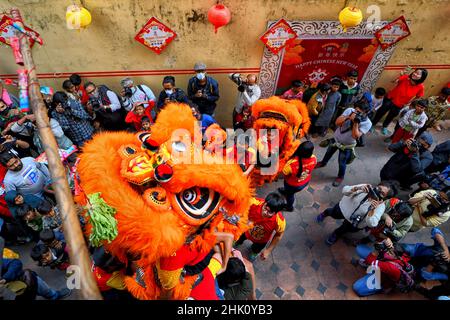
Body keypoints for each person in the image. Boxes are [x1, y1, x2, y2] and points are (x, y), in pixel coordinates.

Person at [316, 181, 398, 245]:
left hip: (354, 222)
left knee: (343, 229)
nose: (377, 192)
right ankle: (324, 214)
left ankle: (335, 234)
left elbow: (372, 224)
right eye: (378, 188)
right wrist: (357, 188)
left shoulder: (380, 207)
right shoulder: (365, 187)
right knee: (332, 213)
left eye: (382, 193)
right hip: (344, 209)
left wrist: (372, 210)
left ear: (385, 198)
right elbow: (344, 190)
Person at [315, 100, 372, 187]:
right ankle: (323, 162)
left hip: (347, 146)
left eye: (360, 112)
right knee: (328, 152)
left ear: (366, 113)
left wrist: (356, 122)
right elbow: (337, 122)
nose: (356, 113)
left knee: (342, 162)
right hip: (336, 139)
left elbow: (355, 136)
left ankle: (340, 177)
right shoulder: (350, 110)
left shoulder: (367, 123)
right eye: (356, 111)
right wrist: (348, 117)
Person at [372, 68, 427, 136]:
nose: (415, 74)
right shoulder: (406, 77)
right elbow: (394, 81)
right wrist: (401, 75)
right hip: (390, 99)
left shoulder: (421, 87)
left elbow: (418, 96)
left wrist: (410, 103)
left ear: (422, 77)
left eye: (418, 74)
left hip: (400, 104)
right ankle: (372, 124)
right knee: (380, 112)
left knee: (391, 116)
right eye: (415, 72)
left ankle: (384, 126)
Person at [235, 193, 286, 261]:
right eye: (265, 208)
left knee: (255, 250)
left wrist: (268, 250)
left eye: (269, 212)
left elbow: (278, 235)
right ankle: (237, 242)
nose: (265, 212)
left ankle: (254, 252)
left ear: (276, 212)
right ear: (265, 202)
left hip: (261, 241)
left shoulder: (280, 221)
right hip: (244, 231)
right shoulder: (253, 202)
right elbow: (240, 209)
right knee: (238, 239)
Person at [278, 141, 317, 212]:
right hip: (305, 182)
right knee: (289, 192)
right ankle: (286, 191)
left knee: (290, 195)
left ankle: (289, 207)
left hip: (292, 185)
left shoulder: (291, 163)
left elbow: (284, 174)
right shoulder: (314, 158)